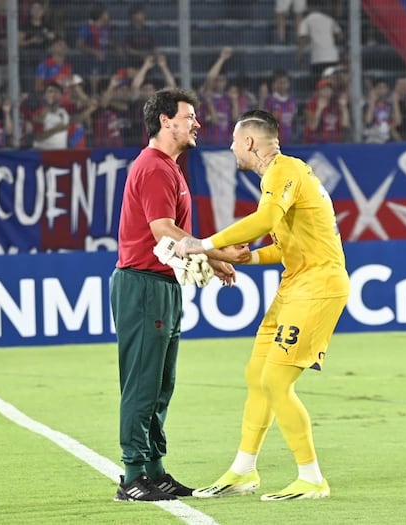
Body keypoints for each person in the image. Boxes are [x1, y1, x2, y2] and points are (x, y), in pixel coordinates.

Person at [174, 108, 350, 502]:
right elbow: (286, 247)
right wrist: (248, 258)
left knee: (276, 381)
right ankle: (243, 471)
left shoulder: (283, 171)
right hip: (296, 285)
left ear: (250, 142)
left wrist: (204, 245)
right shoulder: (286, 174)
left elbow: (264, 218)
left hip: (318, 287)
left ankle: (311, 478)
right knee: (257, 374)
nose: (231, 148)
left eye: (234, 141)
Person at [110, 87, 246, 502]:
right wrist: (218, 250)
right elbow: (162, 231)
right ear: (166, 120)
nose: (196, 123)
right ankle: (132, 476)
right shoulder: (154, 168)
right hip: (144, 285)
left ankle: (154, 469)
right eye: (189, 116)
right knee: (143, 383)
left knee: (161, 384)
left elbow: (173, 242)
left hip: (162, 284)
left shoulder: (169, 167)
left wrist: (210, 261)